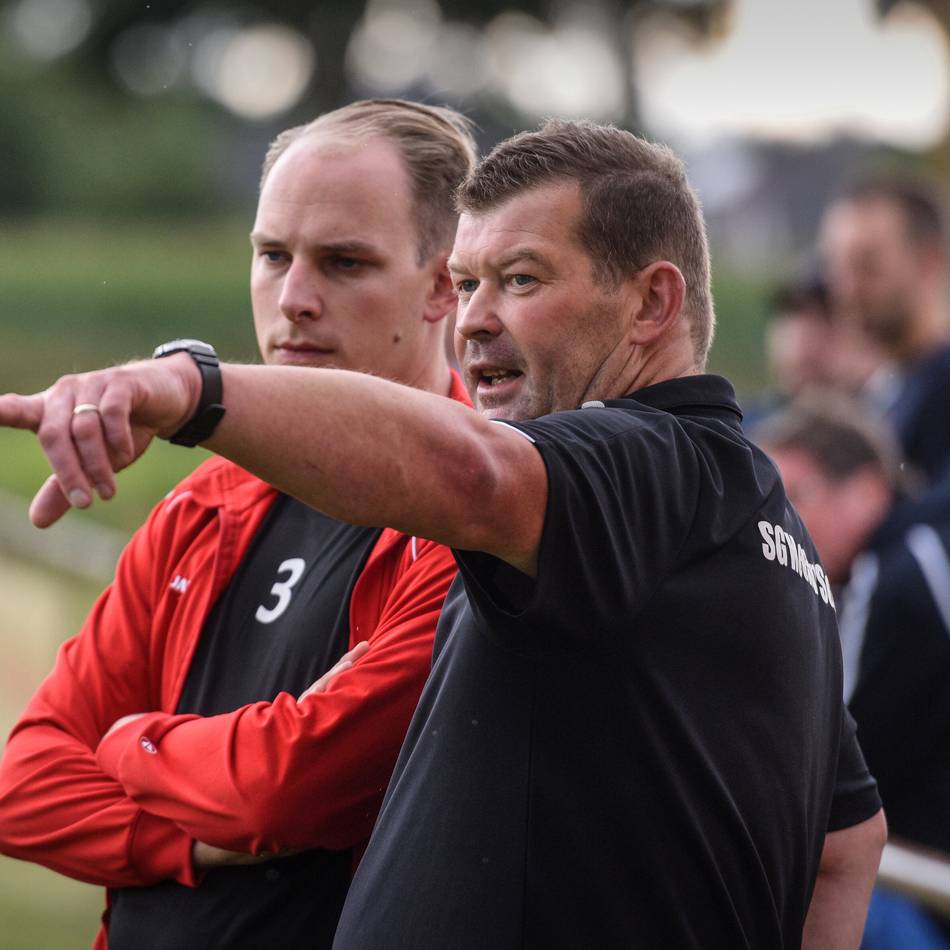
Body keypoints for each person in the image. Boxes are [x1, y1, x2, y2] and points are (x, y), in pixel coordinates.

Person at [0, 119, 886, 948]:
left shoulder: (652, 458)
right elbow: (849, 842)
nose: (473, 320)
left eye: (522, 280)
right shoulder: (752, 520)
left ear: (652, 304)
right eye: (469, 284)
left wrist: (190, 390)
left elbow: (472, 471)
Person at [0, 98, 476, 950]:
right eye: (272, 256)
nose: (294, 299)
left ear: (443, 284)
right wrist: (185, 841)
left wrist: (129, 744)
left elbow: (285, 788)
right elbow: (26, 782)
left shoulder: (473, 523)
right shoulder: (205, 503)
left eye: (343, 263)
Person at [755, 394, 950, 949]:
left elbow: (834, 766)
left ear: (865, 492)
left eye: (795, 497)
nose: (779, 522)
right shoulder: (924, 548)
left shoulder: (896, 581)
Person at [820, 177, 950, 483]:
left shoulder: (940, 393)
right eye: (837, 265)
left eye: (868, 266)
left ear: (928, 262)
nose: (847, 288)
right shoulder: (876, 391)